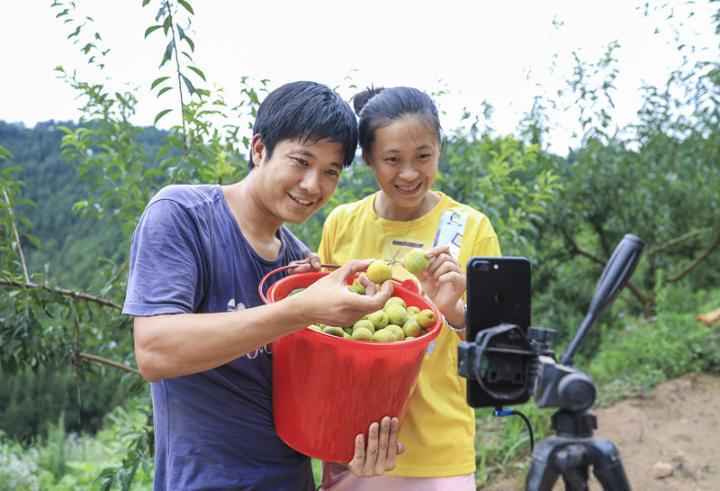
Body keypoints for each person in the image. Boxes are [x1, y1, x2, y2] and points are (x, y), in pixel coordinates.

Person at [122, 81, 404, 491]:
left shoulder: (301, 267)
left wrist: (353, 449)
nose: (313, 185)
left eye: (330, 171)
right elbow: (155, 350)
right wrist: (301, 309)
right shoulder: (182, 216)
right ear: (259, 149)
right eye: (300, 161)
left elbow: (316, 395)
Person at [318, 86, 501, 491]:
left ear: (438, 149)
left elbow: (494, 349)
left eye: (423, 156)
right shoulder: (342, 223)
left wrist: (454, 314)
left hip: (439, 448)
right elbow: (321, 333)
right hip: (353, 445)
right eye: (392, 160)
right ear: (368, 158)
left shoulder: (471, 228)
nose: (409, 173)